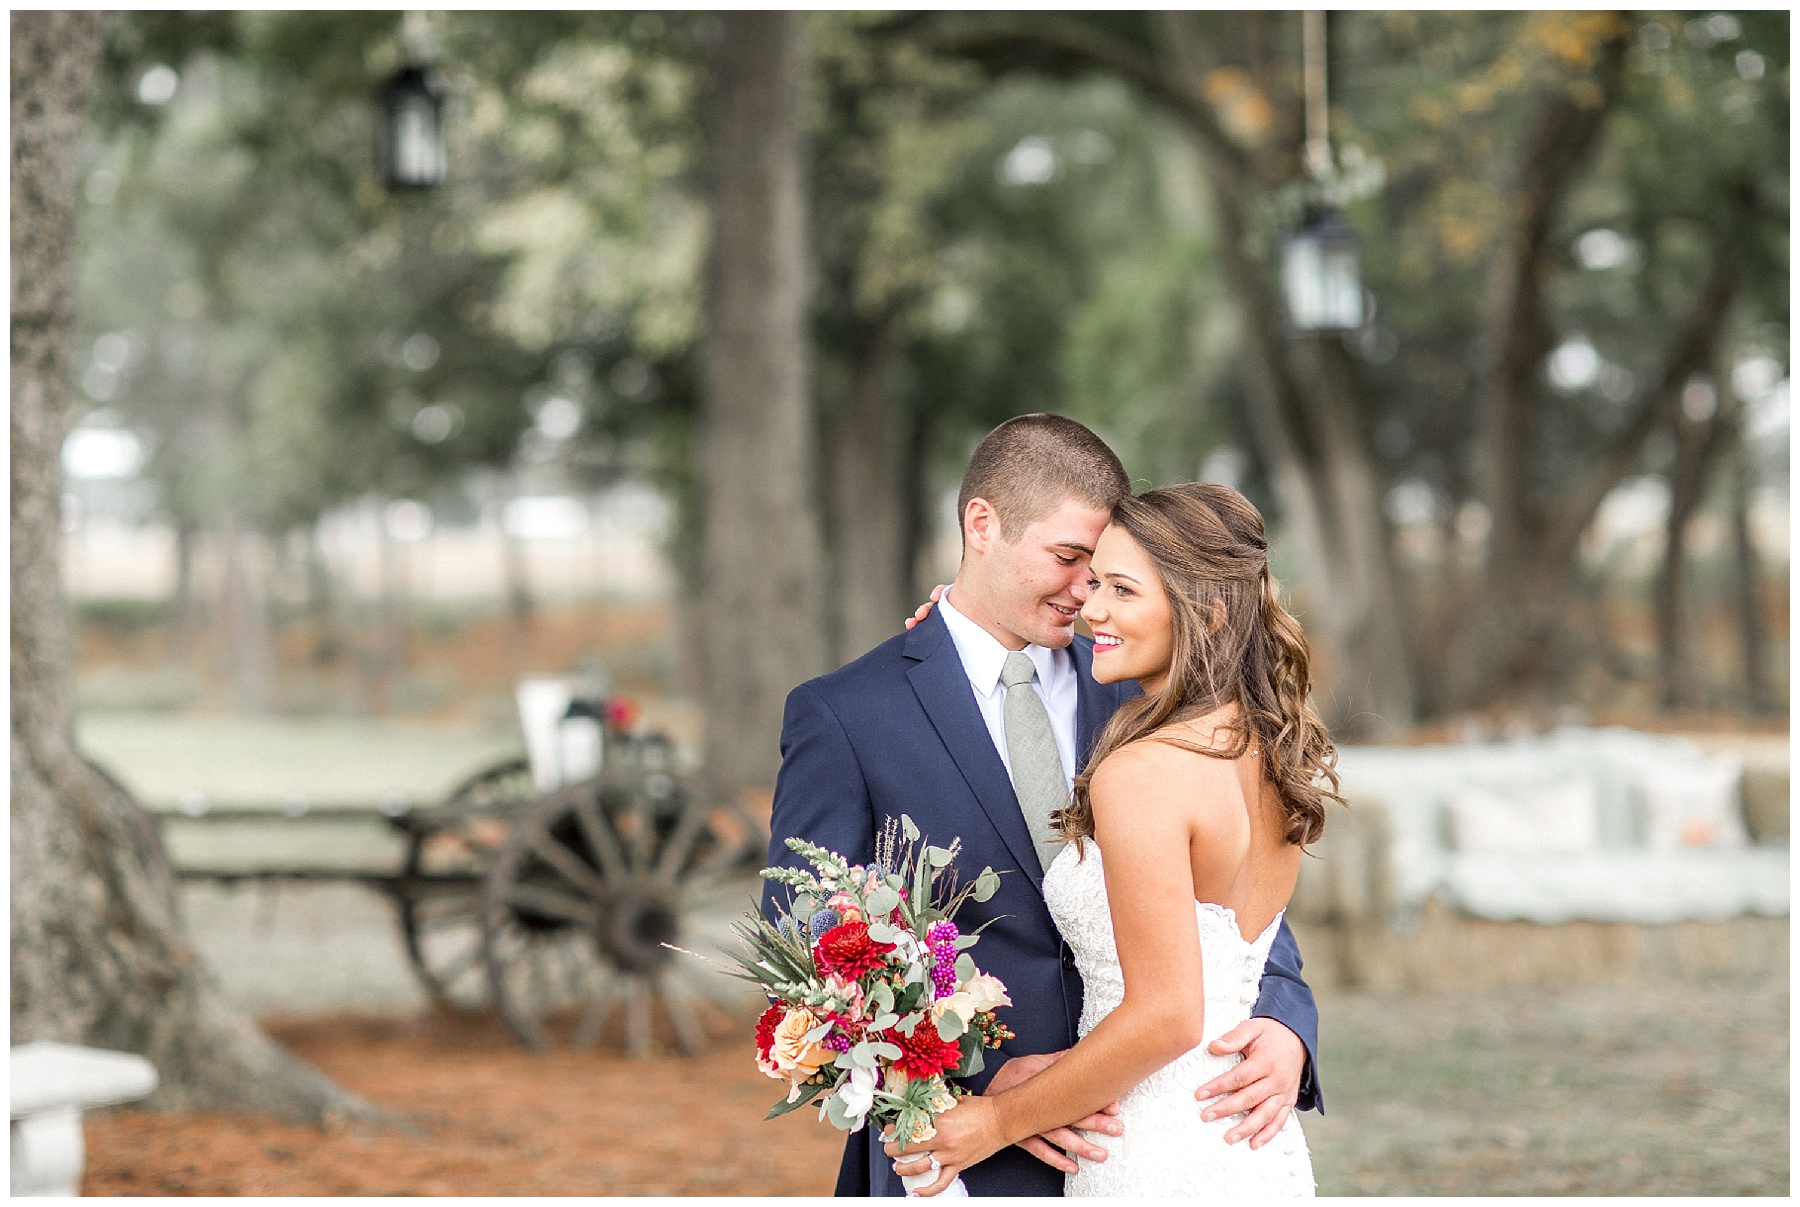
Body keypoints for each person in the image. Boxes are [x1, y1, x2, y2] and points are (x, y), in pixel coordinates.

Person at [763, 416, 1321, 1197]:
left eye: (1107, 573)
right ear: (981, 525)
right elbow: (803, 957)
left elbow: (1225, 904)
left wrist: (1290, 1026)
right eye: (1068, 560)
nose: (1087, 594)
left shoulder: (1147, 684)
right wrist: (979, 1081)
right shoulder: (850, 714)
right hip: (963, 1153)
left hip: (1163, 1128)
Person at [886, 481, 1337, 1196]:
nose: (1090, 607)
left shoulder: (1142, 771)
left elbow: (1167, 1014)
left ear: (1207, 615)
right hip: (1250, 1147)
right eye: (1094, 581)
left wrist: (996, 1119)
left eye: (1121, 590)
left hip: (1148, 1147)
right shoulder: (1266, 752)